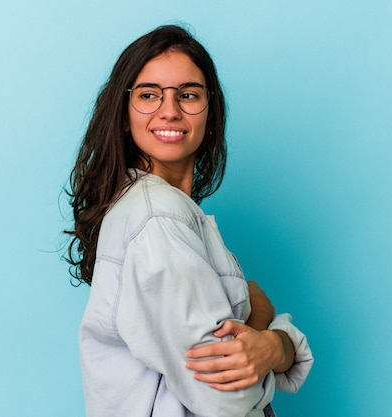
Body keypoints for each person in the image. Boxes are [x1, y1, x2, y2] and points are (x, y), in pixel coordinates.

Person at [66, 24, 313, 417]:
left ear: (210, 113)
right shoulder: (157, 220)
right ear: (123, 115)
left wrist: (267, 343)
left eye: (188, 95)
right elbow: (226, 394)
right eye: (148, 95)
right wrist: (274, 336)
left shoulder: (159, 210)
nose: (170, 110)